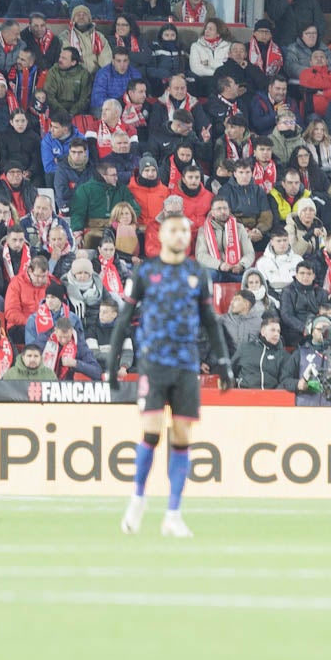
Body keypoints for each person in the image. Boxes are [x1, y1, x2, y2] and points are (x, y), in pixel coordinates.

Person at [107, 212, 233, 538]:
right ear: (161, 235)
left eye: (184, 231)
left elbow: (210, 320)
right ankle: (137, 498)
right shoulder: (146, 271)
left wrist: (223, 362)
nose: (180, 236)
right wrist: (112, 363)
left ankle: (173, 513)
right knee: (151, 431)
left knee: (181, 438)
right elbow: (124, 319)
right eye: (173, 230)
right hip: (153, 363)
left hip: (187, 364)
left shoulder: (197, 273)